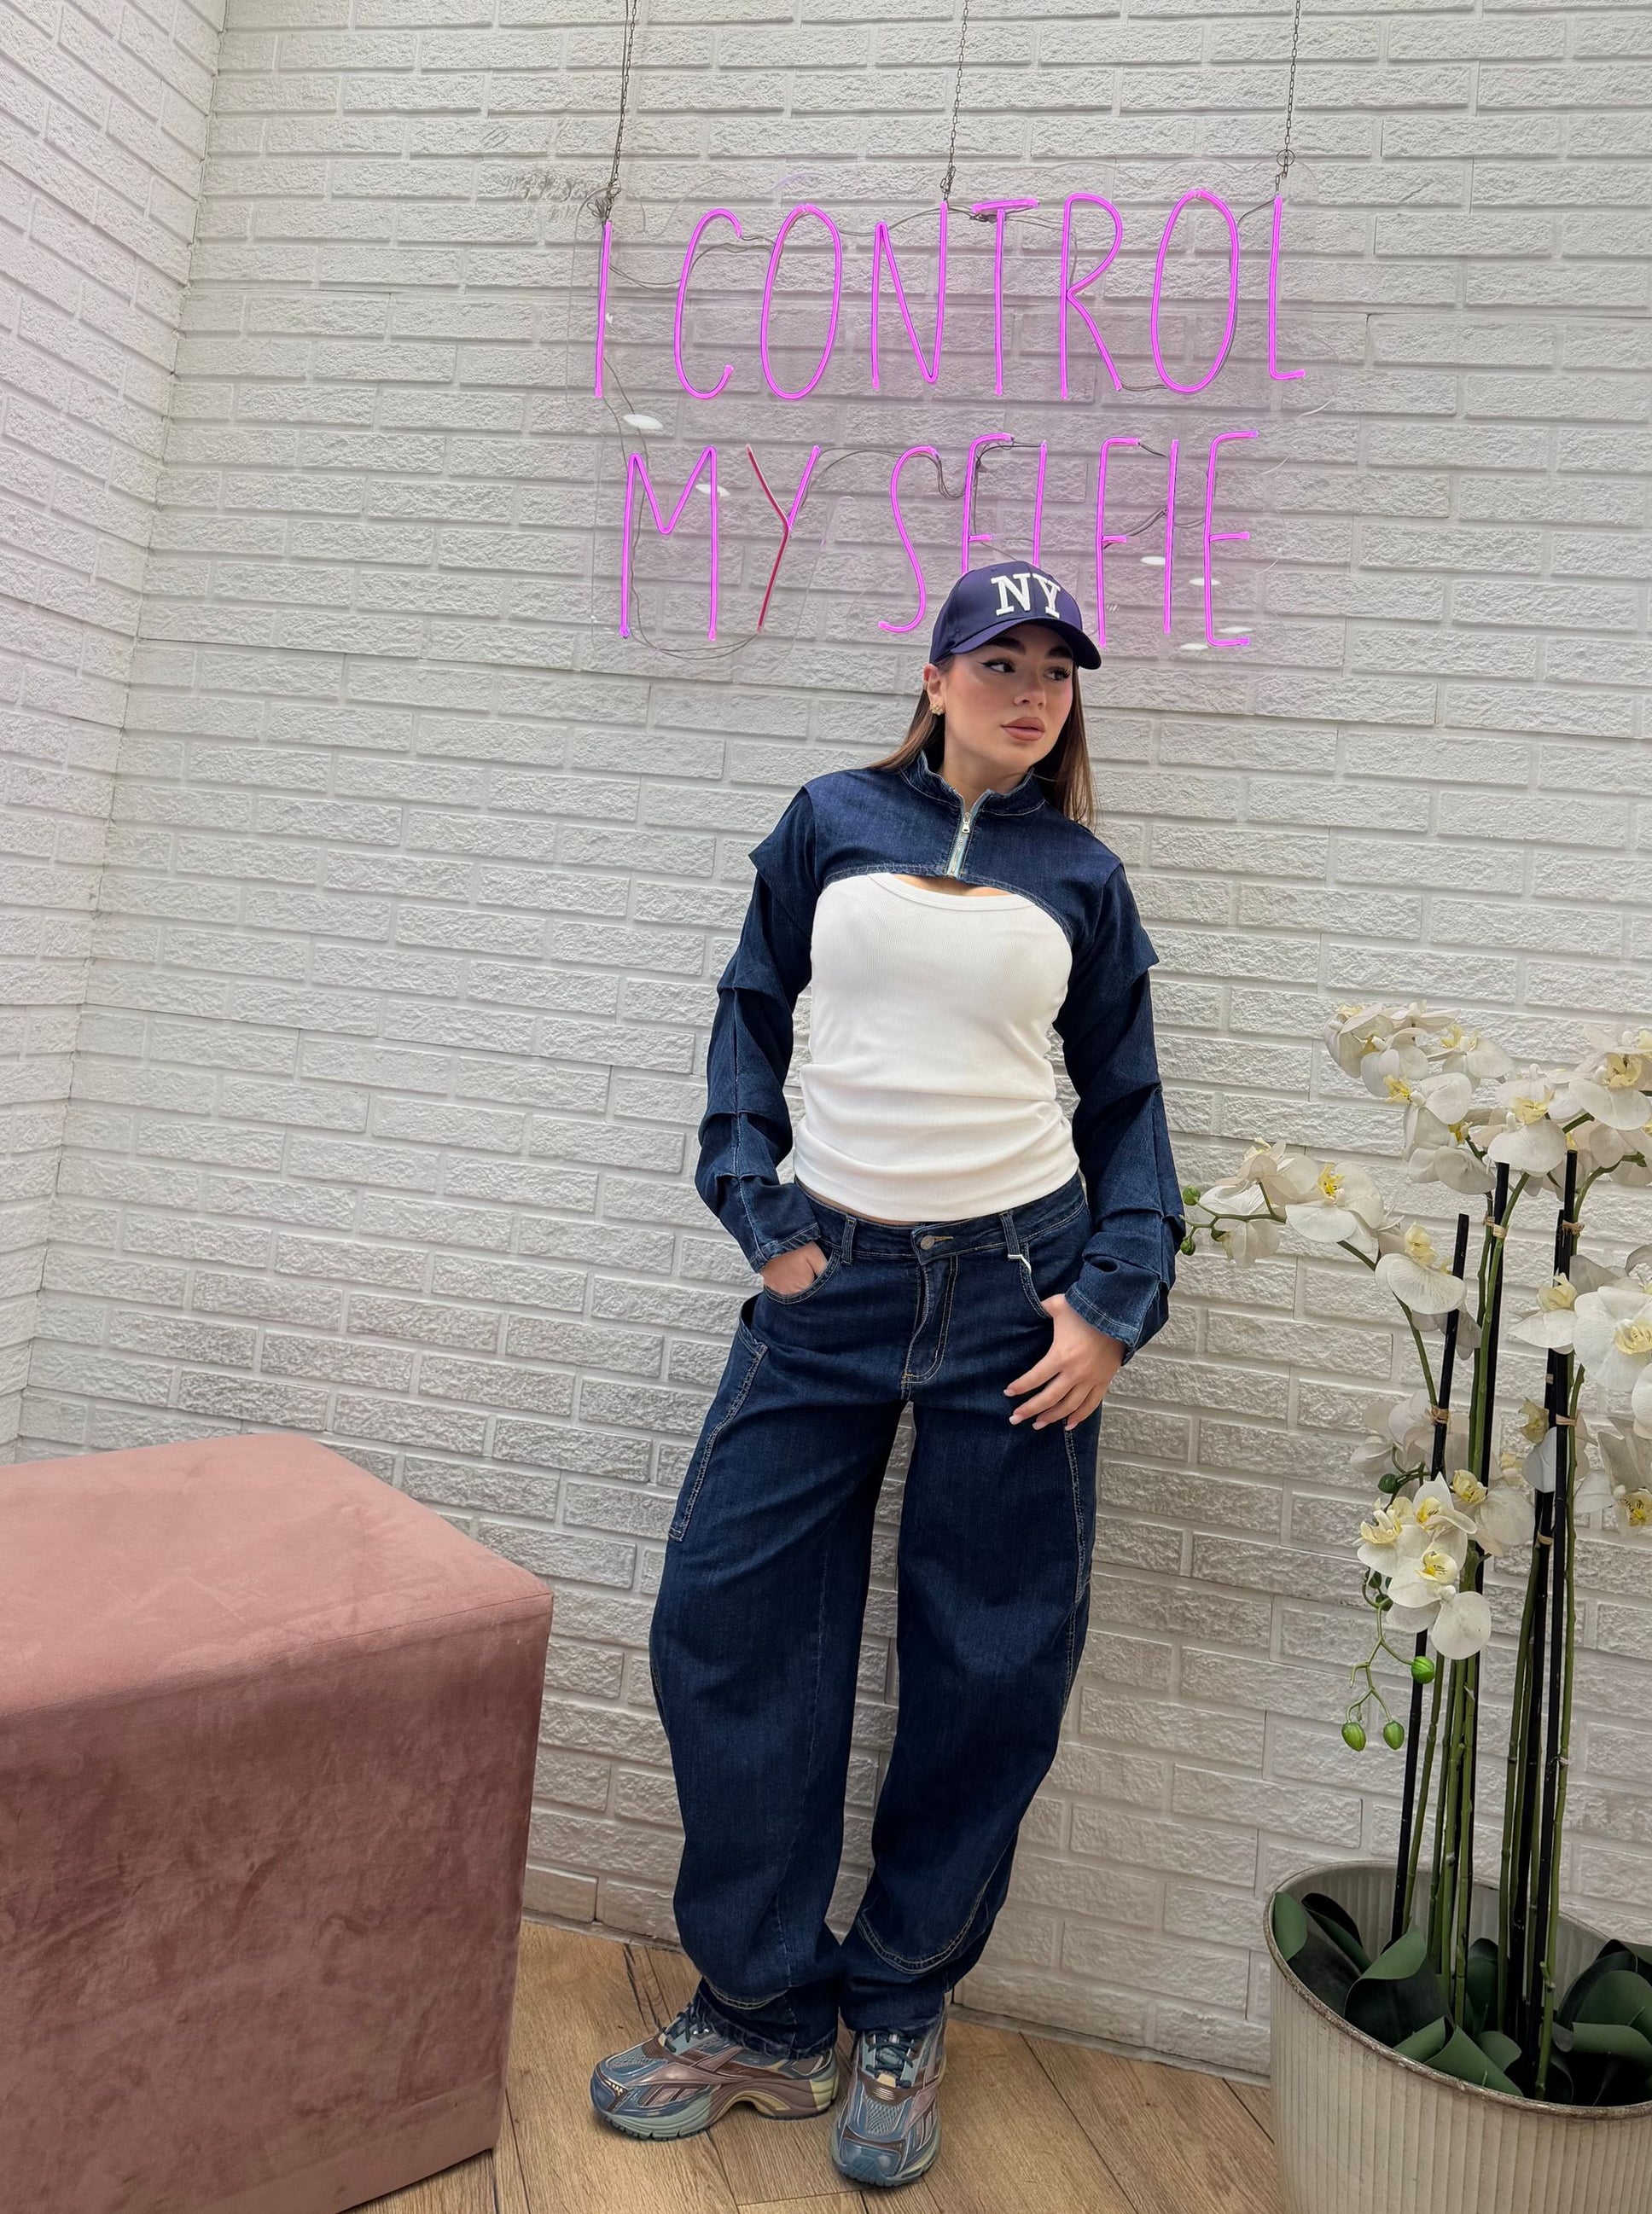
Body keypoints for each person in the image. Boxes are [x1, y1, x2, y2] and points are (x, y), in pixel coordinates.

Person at [590, 560, 1186, 2189]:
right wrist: (757, 1210)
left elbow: (1128, 1102)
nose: (1030, 690)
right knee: (729, 1622)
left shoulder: (1083, 875)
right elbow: (749, 1012)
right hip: (826, 1282)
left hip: (1017, 1297)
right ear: (932, 678)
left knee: (990, 1658)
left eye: (1054, 669)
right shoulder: (829, 820)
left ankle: (904, 2005)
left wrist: (1110, 1306)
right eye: (999, 660)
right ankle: (761, 2010)